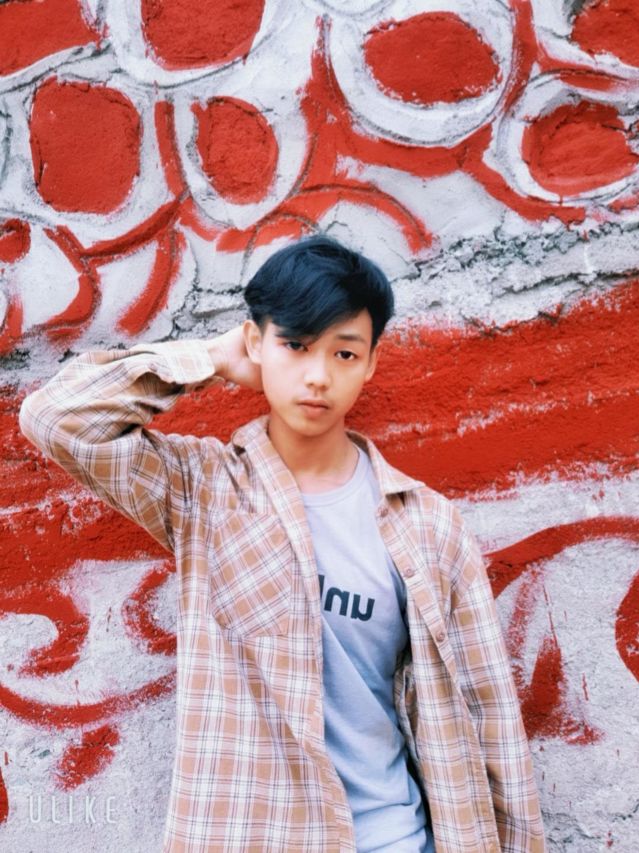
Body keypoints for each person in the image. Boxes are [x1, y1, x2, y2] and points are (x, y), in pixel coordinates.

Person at [19, 234, 546, 852]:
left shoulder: (429, 526)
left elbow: (490, 718)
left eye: (344, 354)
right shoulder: (203, 489)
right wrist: (213, 359)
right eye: (295, 345)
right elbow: (56, 419)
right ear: (256, 343)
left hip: (395, 838)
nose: (318, 377)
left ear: (371, 363)